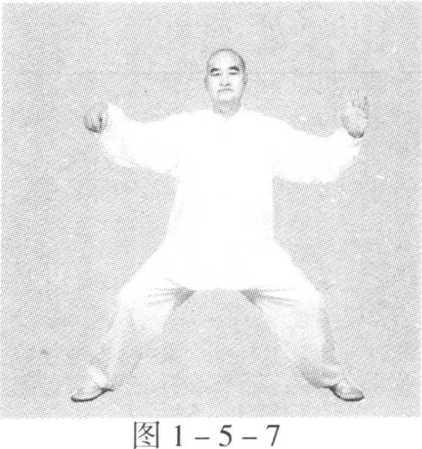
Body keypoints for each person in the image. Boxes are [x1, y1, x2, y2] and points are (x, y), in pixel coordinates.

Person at [71, 49, 369, 403]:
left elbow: (314, 159)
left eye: (233, 71)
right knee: (132, 300)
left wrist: (349, 135)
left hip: (253, 251)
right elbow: (138, 140)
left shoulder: (266, 131)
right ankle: (102, 377)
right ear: (206, 82)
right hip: (188, 248)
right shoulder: (186, 128)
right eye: (215, 72)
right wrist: (107, 119)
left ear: (245, 80)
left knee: (308, 303)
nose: (224, 79)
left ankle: (331, 377)